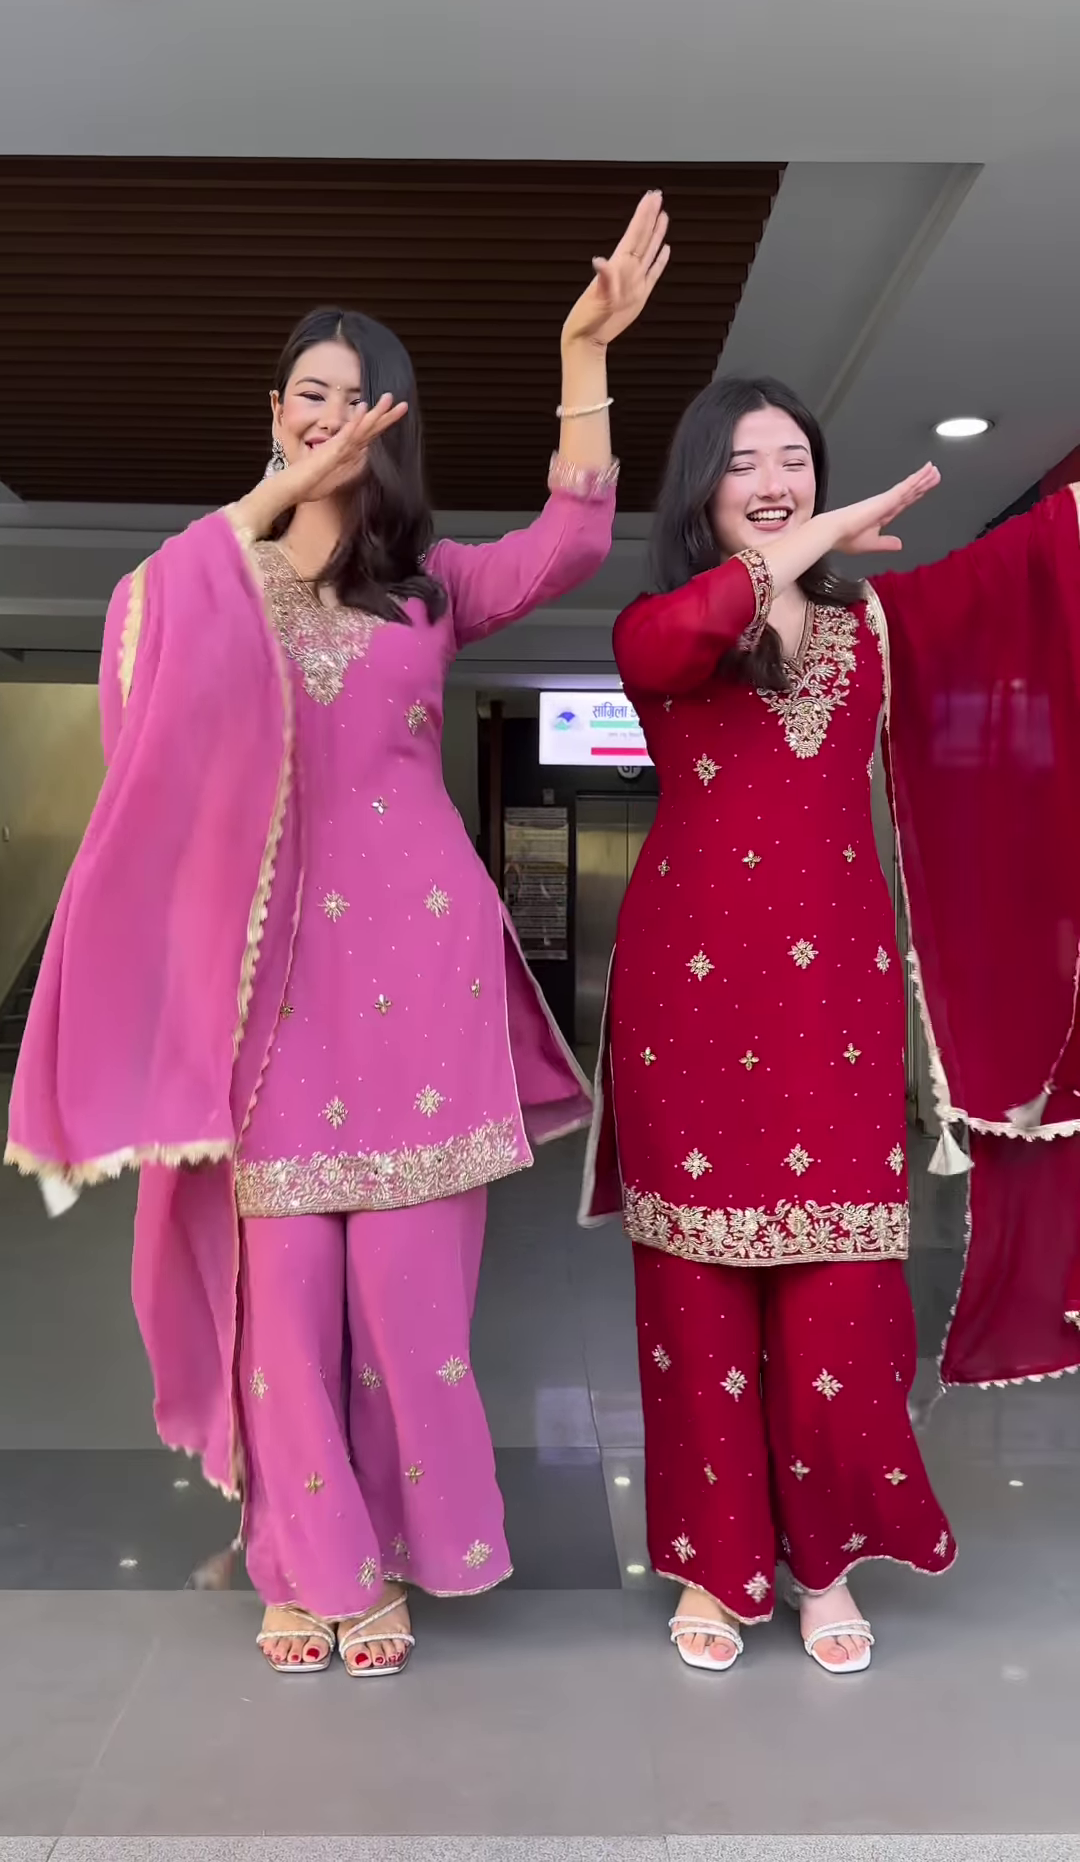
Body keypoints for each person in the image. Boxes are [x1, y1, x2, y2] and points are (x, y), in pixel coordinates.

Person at [6, 194, 671, 1676]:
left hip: (423, 982)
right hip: (270, 997)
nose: (326, 415)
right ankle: (312, 1567)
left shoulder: (429, 589)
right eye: (305, 393)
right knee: (287, 1310)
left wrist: (583, 356)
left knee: (411, 1307)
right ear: (274, 415)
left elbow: (571, 540)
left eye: (355, 397)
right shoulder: (210, 585)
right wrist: (257, 515)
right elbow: (139, 665)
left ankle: (403, 1552)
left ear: (391, 426)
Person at [580, 374, 1080, 1675]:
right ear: (701, 488)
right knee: (696, 1290)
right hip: (689, 994)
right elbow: (666, 652)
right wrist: (795, 553)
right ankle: (716, 1560)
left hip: (834, 999)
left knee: (843, 1296)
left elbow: (1014, 591)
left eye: (793, 459)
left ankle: (828, 1559)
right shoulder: (660, 625)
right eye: (743, 462)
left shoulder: (879, 628)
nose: (774, 481)